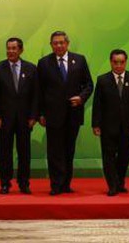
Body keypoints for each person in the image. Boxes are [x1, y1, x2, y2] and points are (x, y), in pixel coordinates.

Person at [37, 31, 93, 195]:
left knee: (69, 151)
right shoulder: (44, 63)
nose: (59, 45)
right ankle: (56, 185)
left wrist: (81, 98)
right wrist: (40, 113)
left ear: (67, 43)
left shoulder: (80, 60)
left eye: (62, 42)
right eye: (55, 43)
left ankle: (66, 184)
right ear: (51, 45)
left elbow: (89, 84)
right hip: (52, 115)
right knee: (54, 152)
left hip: (73, 114)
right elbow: (39, 91)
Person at [0, 37, 39, 195]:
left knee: (24, 152)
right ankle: (5, 183)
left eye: (14, 48)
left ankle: (24, 183)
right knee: (4, 153)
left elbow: (35, 95)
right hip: (4, 119)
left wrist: (33, 116)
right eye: (8, 48)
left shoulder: (31, 68)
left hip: (25, 119)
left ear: (21, 50)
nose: (10, 51)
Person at [92, 49, 129, 196]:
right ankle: (112, 185)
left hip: (128, 125)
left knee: (124, 156)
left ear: (125, 62)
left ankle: (120, 182)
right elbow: (97, 104)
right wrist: (96, 124)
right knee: (108, 156)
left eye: (121, 62)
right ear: (111, 62)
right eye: (115, 62)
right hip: (107, 126)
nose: (118, 65)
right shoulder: (102, 80)